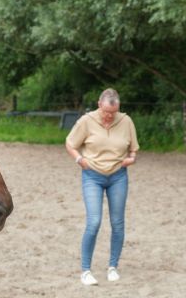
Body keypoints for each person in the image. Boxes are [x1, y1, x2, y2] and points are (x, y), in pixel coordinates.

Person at [65, 88, 139, 286]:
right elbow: (70, 143)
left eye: (113, 112)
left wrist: (130, 160)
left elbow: (134, 150)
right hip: (92, 176)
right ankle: (86, 270)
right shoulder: (86, 121)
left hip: (118, 177)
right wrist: (79, 159)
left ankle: (113, 266)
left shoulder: (126, 122)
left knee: (118, 223)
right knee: (94, 221)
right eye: (106, 112)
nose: (109, 116)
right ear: (99, 104)